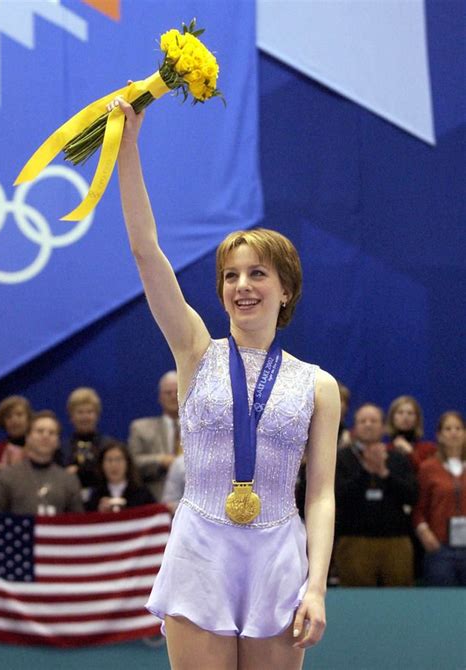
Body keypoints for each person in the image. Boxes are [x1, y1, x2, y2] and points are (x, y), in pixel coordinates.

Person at [111, 95, 339, 670]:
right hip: (201, 549)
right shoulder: (194, 350)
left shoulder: (319, 386)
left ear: (285, 289)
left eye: (258, 273)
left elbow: (320, 494)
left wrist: (315, 585)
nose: (242, 285)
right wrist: (127, 150)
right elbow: (145, 252)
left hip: (279, 555)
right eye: (230, 275)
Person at [334, 403, 418, 587]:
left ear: (383, 426)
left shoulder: (397, 458)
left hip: (396, 541)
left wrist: (383, 473)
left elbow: (411, 496)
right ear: (355, 427)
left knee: (400, 600)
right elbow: (338, 497)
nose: (368, 425)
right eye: (363, 421)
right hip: (354, 540)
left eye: (373, 420)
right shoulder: (342, 458)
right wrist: (365, 471)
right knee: (356, 601)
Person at [0, 410, 83, 515]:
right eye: (40, 431)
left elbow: (77, 523)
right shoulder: (6, 477)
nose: (45, 436)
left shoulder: (69, 481)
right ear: (28, 438)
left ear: (58, 442)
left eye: (51, 432)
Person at [413, 411, 466, 586]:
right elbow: (418, 507)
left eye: (458, 428)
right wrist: (424, 533)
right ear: (439, 435)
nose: (454, 433)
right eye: (448, 428)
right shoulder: (429, 468)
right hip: (440, 548)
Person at [128, 371, 181, 501]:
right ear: (160, 397)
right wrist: (160, 460)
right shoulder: (140, 428)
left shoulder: (201, 429)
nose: (173, 396)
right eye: (168, 393)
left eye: (177, 392)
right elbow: (131, 462)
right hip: (156, 498)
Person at [59, 387, 114, 507]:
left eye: (89, 412)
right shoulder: (61, 448)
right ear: (71, 416)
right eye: (80, 412)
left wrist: (78, 471)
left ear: (97, 415)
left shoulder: (109, 445)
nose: (85, 417)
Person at [87, 441, 155, 512]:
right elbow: (87, 518)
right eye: (109, 460)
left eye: (118, 460)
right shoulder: (96, 495)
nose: (114, 465)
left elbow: (155, 513)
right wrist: (99, 511)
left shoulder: (141, 492)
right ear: (102, 465)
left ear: (127, 464)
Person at [386, 395, 436, 472]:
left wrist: (410, 452)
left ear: (417, 419)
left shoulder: (429, 449)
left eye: (410, 413)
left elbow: (428, 476)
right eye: (400, 413)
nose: (405, 417)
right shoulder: (385, 450)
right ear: (393, 418)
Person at [0, 395, 33, 474]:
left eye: (19, 414)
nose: (14, 420)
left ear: (28, 418)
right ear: (3, 423)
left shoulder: (41, 445)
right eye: (8, 417)